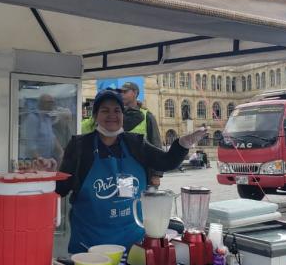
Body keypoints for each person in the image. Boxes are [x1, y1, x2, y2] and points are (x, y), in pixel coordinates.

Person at [56, 90, 207, 253]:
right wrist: (48, 174)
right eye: (105, 110)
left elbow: (167, 162)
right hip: (90, 245)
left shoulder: (136, 143)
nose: (112, 115)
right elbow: (61, 188)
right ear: (95, 116)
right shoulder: (79, 146)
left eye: (117, 110)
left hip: (133, 244)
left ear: (123, 115)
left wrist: (183, 143)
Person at [20, 93, 64, 169]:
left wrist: (61, 151)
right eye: (49, 102)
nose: (52, 104)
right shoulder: (33, 118)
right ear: (41, 103)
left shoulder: (47, 117)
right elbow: (31, 144)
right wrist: (40, 160)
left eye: (52, 102)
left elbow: (52, 137)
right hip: (35, 162)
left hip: (46, 161)